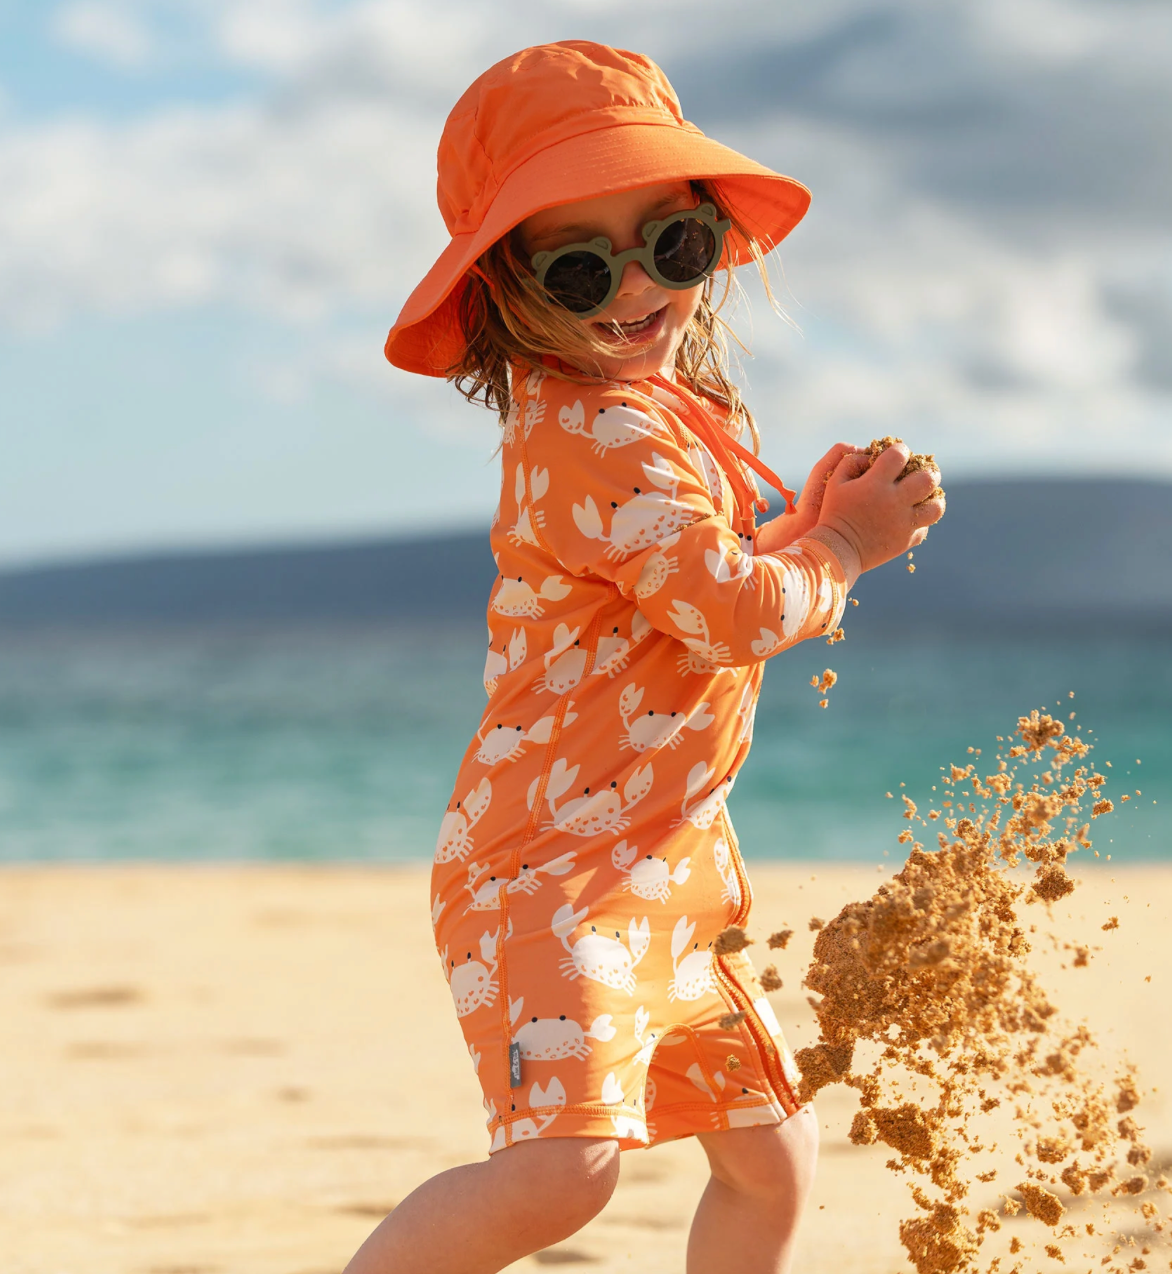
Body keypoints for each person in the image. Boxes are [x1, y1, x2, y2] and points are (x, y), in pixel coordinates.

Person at [350, 40, 944, 1274]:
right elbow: (729, 614)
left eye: (668, 246)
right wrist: (839, 544)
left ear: (711, 237)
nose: (633, 288)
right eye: (578, 265)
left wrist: (799, 528)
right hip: (549, 873)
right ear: (510, 294)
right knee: (558, 1172)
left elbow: (684, 593)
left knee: (771, 1151)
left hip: (661, 863)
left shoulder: (681, 413)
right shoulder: (588, 429)